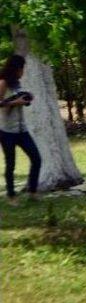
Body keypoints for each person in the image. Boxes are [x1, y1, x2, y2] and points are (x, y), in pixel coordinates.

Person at [0, 55, 41, 204]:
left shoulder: (17, 83)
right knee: (10, 164)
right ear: (15, 69)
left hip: (22, 130)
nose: (23, 71)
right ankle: (11, 196)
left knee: (36, 158)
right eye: (21, 68)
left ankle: (33, 191)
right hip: (7, 131)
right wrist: (14, 102)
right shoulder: (3, 82)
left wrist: (27, 98)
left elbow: (19, 99)